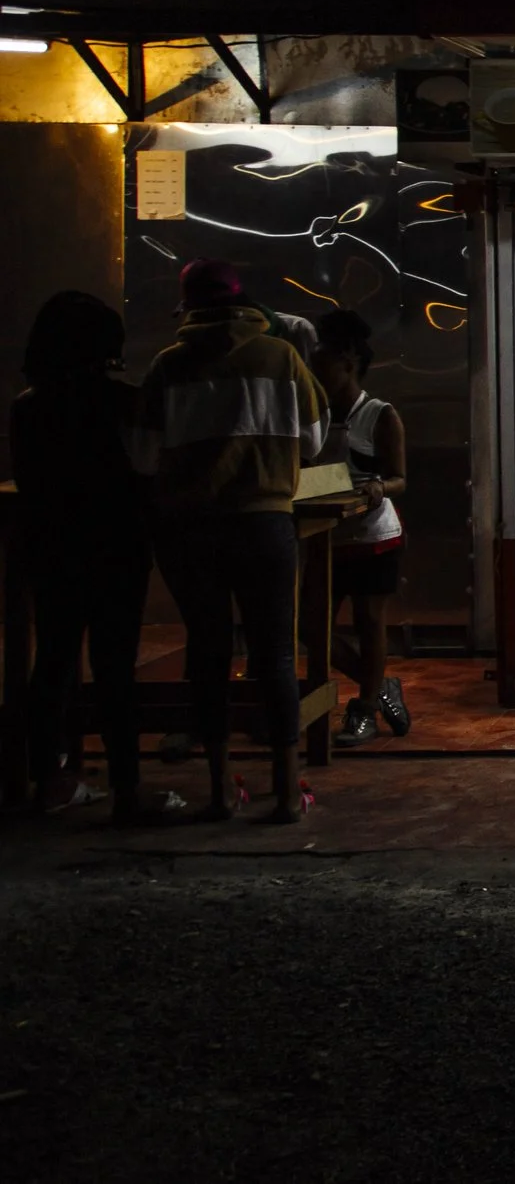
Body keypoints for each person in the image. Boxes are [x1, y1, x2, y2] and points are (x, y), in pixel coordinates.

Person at [132, 259, 327, 823]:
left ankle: (219, 789)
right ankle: (288, 791)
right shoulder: (282, 357)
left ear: (188, 309)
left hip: (190, 531)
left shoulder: (168, 366)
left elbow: (143, 456)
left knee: (210, 656)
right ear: (247, 306)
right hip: (264, 523)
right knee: (276, 657)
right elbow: (312, 442)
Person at [10, 292, 173, 821]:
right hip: (117, 549)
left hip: (51, 549)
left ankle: (50, 781)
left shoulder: (27, 407)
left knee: (53, 663)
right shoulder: (125, 402)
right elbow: (148, 474)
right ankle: (127, 789)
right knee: (114, 669)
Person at [309, 310, 410, 746]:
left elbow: (400, 478)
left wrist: (377, 487)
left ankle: (365, 706)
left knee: (370, 620)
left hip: (373, 537)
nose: (315, 374)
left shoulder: (380, 414)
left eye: (323, 365)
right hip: (323, 537)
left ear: (349, 363)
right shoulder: (311, 417)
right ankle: (381, 682)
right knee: (310, 628)